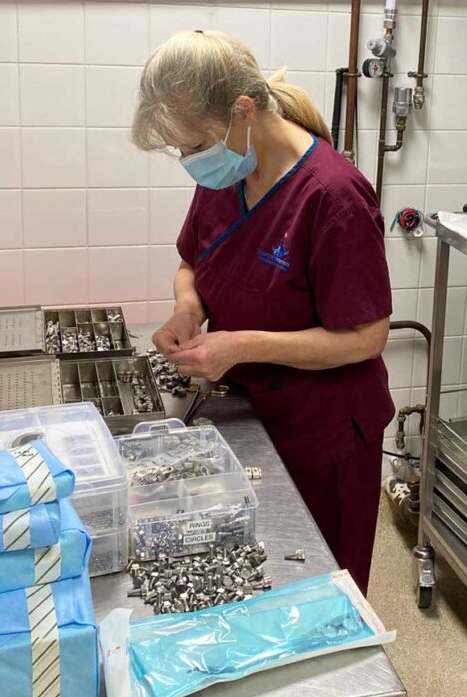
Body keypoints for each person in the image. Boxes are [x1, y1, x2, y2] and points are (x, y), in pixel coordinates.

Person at [132, 30, 395, 595]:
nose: (190, 161)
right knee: (252, 578)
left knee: (320, 588)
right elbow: (192, 265)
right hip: (251, 418)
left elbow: (367, 336)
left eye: (194, 145)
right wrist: (187, 311)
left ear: (243, 111)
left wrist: (243, 345)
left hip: (323, 432)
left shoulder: (334, 197)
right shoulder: (228, 175)